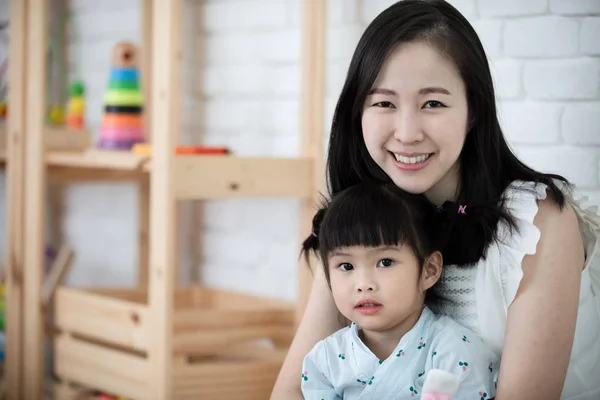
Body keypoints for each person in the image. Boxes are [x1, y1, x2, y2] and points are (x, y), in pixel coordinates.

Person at [270, 0, 600, 399]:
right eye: (384, 103)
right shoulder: (360, 222)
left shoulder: (538, 222)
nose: (407, 133)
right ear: (358, 112)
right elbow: (291, 393)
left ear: (473, 110)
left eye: (433, 103)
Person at [299, 182, 499, 399]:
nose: (364, 284)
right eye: (346, 266)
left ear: (429, 270)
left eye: (385, 262)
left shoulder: (455, 352)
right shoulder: (325, 360)